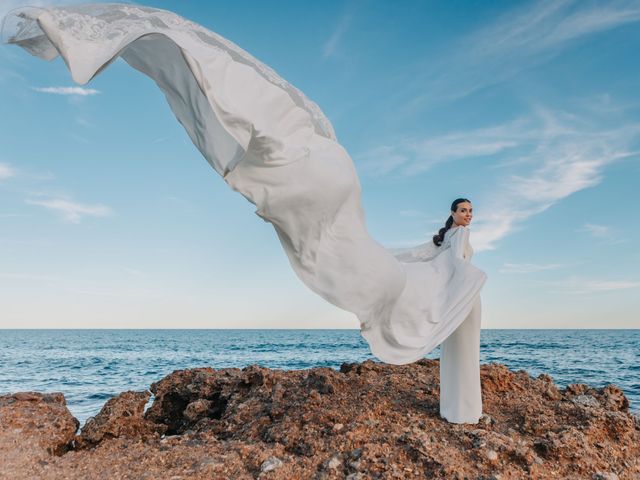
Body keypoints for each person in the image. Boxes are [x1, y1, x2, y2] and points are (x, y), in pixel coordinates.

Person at [433, 198, 483, 424]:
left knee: (453, 351)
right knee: (467, 351)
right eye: (463, 210)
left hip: (452, 296)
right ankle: (467, 412)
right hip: (466, 295)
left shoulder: (446, 237)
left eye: (471, 211)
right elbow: (456, 261)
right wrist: (475, 275)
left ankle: (451, 408)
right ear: (452, 212)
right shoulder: (461, 233)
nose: (468, 214)